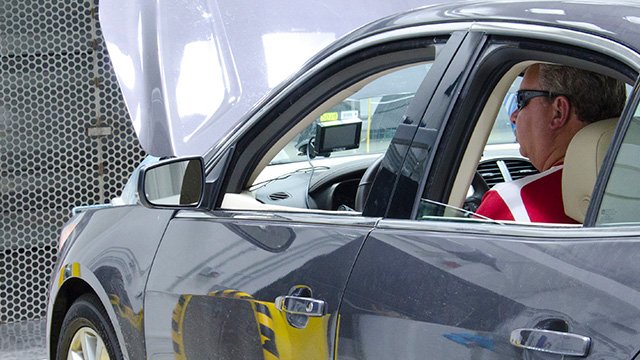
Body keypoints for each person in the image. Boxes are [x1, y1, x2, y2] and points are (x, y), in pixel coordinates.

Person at [475, 63, 626, 223]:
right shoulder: (630, 186)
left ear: (558, 112)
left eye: (521, 101)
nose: (513, 116)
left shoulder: (512, 206)